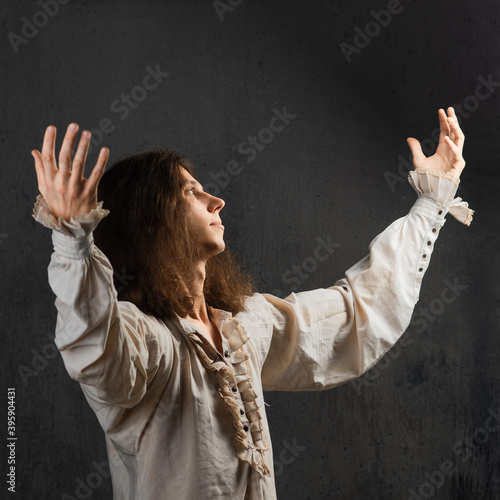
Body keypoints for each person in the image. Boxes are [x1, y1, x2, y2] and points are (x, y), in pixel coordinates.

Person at [31, 108, 473, 500]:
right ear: (150, 219)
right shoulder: (144, 338)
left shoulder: (244, 324)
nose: (217, 200)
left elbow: (354, 314)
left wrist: (431, 202)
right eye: (190, 192)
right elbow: (97, 353)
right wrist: (72, 239)